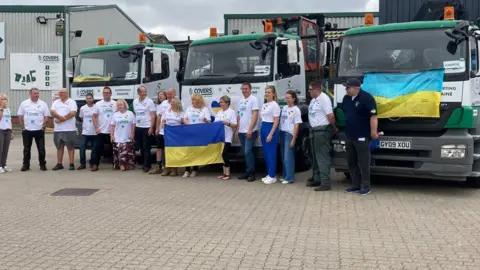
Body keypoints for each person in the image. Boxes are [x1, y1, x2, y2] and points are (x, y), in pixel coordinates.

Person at [342, 78, 378, 195]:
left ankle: (366, 186)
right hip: (349, 135)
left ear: (355, 88)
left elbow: (373, 117)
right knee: (351, 161)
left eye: (347, 87)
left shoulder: (367, 98)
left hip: (362, 136)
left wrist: (373, 132)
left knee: (363, 162)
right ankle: (355, 184)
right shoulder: (346, 98)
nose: (345, 89)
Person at [307, 80, 338, 191]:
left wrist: (333, 128)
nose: (309, 91)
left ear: (316, 89)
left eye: (310, 89)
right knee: (315, 156)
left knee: (322, 156)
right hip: (314, 131)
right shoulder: (313, 100)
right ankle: (317, 178)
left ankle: (325, 182)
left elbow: (330, 116)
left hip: (322, 130)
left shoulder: (324, 99)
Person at [17, 88, 50, 171]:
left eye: (38, 93)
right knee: (26, 149)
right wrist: (22, 127)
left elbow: (46, 116)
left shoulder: (43, 104)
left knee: (41, 149)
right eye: (35, 93)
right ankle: (26, 165)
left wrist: (43, 126)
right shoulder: (24, 103)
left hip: (39, 130)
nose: (37, 95)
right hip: (27, 130)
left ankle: (42, 164)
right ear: (30, 94)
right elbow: (20, 115)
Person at [182, 93, 211, 178]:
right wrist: (189, 125)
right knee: (188, 151)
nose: (192, 102)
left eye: (194, 100)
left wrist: (206, 120)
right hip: (190, 133)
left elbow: (208, 121)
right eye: (192, 100)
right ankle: (187, 170)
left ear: (199, 101)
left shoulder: (205, 109)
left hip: (199, 133)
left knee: (196, 152)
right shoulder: (189, 108)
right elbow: (184, 119)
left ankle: (195, 169)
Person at [236, 82, 259, 182]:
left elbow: (255, 115)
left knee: (248, 151)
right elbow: (239, 116)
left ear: (250, 89)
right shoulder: (240, 100)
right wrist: (237, 130)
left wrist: (250, 129)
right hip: (241, 131)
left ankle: (251, 173)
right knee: (245, 153)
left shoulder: (254, 99)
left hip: (250, 131)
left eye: (246, 89)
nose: (244, 91)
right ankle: (247, 171)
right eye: (243, 89)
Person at [50, 88, 78, 171]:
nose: (60, 94)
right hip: (58, 130)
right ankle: (59, 164)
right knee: (59, 147)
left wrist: (63, 119)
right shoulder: (56, 102)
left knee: (70, 147)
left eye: (62, 93)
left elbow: (73, 113)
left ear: (66, 93)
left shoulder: (72, 102)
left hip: (69, 129)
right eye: (59, 93)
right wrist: (59, 117)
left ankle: (71, 164)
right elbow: (52, 111)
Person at [279, 90, 302, 184]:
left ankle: (290, 178)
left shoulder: (296, 109)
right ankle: (285, 175)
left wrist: (293, 138)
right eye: (286, 98)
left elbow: (297, 125)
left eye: (289, 98)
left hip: (289, 133)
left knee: (288, 157)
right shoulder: (284, 108)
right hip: (282, 132)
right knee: (283, 155)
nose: (287, 99)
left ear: (293, 99)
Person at [92, 86, 117, 171]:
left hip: (112, 131)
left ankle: (115, 164)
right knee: (97, 148)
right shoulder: (98, 104)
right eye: (104, 93)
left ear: (110, 94)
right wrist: (96, 128)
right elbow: (94, 116)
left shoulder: (115, 103)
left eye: (107, 92)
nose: (106, 94)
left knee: (113, 149)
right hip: (101, 130)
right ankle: (95, 164)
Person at [260, 86, 281, 184]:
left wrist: (271, 134)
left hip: (270, 127)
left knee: (271, 153)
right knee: (266, 153)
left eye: (269, 92)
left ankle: (273, 176)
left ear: (273, 94)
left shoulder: (274, 105)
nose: (267, 93)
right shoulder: (265, 104)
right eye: (266, 92)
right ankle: (269, 173)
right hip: (264, 127)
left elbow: (276, 121)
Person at [133, 86, 156, 172]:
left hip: (146, 127)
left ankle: (147, 166)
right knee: (141, 147)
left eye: (145, 91)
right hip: (138, 127)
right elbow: (136, 114)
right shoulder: (135, 101)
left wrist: (151, 127)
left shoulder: (149, 102)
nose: (145, 93)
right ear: (139, 93)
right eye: (143, 92)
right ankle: (143, 164)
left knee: (146, 147)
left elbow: (153, 115)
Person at [214, 95, 237, 180]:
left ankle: (228, 174)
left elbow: (235, 124)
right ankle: (224, 173)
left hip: (227, 137)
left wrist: (227, 123)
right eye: (220, 102)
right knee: (221, 155)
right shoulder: (219, 112)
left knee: (224, 154)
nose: (221, 104)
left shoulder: (232, 112)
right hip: (220, 138)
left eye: (222, 102)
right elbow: (215, 124)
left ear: (227, 103)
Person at [110, 99, 136, 171]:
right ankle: (120, 164)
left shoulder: (130, 113)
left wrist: (132, 133)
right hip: (117, 136)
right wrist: (111, 135)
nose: (119, 106)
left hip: (127, 136)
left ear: (125, 105)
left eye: (121, 104)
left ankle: (127, 164)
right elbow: (112, 126)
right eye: (118, 105)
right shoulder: (115, 114)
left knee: (128, 151)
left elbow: (133, 124)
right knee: (119, 151)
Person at [161, 98, 184, 177]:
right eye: (171, 102)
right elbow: (163, 121)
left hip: (177, 135)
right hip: (168, 134)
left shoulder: (180, 113)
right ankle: (167, 169)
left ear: (177, 103)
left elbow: (184, 122)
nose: (171, 103)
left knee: (175, 151)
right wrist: (162, 124)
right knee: (167, 151)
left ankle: (174, 169)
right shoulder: (167, 112)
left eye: (173, 102)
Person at [149, 90, 168, 174]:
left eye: (162, 95)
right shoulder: (158, 106)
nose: (160, 96)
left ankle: (166, 166)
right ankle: (158, 166)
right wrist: (156, 128)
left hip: (167, 129)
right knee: (159, 148)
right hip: (160, 129)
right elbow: (158, 118)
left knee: (166, 148)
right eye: (159, 95)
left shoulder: (168, 104)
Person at [78, 93, 97, 170]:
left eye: (90, 98)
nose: (89, 100)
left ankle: (92, 163)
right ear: (86, 100)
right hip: (85, 132)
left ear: (93, 99)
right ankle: (82, 163)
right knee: (82, 148)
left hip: (94, 132)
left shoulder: (96, 107)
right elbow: (81, 118)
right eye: (87, 98)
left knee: (94, 149)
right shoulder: (82, 108)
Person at [0, 93, 13, 173]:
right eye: (2, 99)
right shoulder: (1, 108)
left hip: (7, 130)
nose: (4, 101)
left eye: (5, 99)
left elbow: (9, 120)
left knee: (5, 149)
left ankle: (4, 165)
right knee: (0, 149)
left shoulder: (8, 109)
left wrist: (11, 131)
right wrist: (1, 108)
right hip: (0, 130)